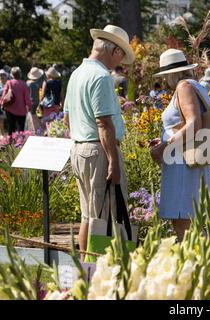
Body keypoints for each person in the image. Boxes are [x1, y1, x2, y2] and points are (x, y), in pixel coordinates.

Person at [63, 24, 135, 260]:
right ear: (113, 51)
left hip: (80, 148)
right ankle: (98, 273)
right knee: (103, 216)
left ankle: (85, 269)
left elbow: (66, 118)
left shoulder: (77, 73)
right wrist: (113, 160)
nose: (120, 62)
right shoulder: (101, 76)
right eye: (121, 56)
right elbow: (103, 123)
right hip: (98, 150)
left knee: (89, 216)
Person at [150, 48, 210, 241]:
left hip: (184, 163)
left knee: (184, 221)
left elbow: (194, 123)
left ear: (171, 74)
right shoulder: (195, 86)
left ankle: (194, 266)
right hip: (189, 159)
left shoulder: (184, 87)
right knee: (190, 220)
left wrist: (164, 145)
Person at [0, 67, 31, 135]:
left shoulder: (9, 83)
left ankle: (10, 143)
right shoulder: (24, 84)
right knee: (21, 128)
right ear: (20, 74)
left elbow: (4, 95)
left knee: (11, 127)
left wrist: (2, 103)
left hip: (10, 109)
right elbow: (27, 98)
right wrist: (29, 107)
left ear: (11, 75)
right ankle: (20, 143)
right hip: (21, 110)